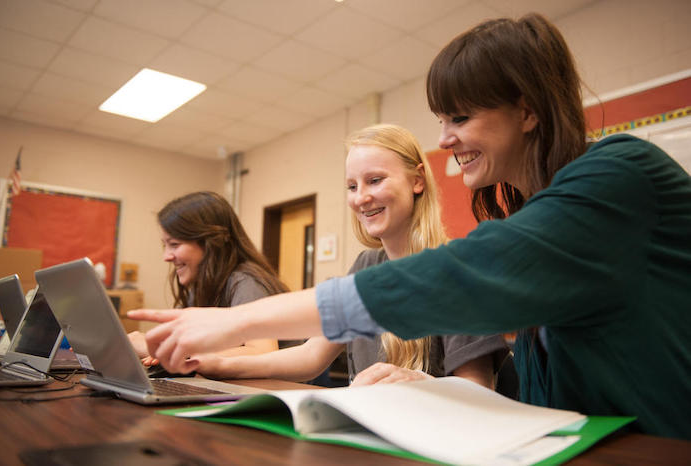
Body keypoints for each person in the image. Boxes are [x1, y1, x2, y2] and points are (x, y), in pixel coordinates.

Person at [129, 14, 691, 439]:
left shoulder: (620, 173)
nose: (445, 138)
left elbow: (460, 276)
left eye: (461, 117)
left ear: (527, 110)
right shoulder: (531, 215)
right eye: (441, 120)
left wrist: (228, 325)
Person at [191, 124, 508, 388]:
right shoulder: (365, 266)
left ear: (417, 180)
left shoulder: (459, 270)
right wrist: (219, 365)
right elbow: (311, 356)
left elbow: (479, 389)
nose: (361, 198)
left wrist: (423, 383)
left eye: (375, 180)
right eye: (352, 186)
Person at [128, 191, 287, 364]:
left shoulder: (245, 282)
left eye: (174, 244)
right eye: (164, 245)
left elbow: (263, 352)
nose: (166, 256)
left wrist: (176, 352)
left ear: (212, 243)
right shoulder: (200, 286)